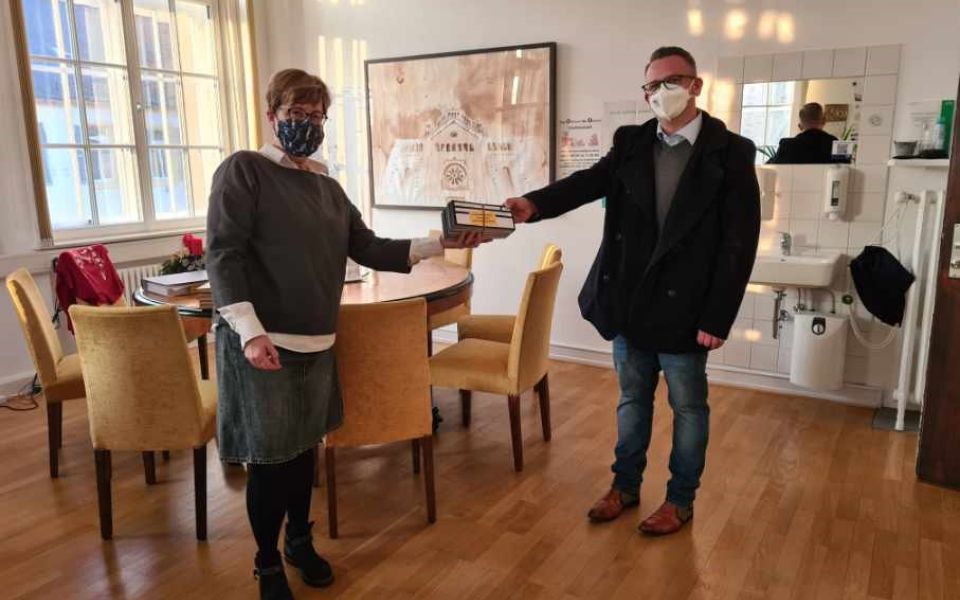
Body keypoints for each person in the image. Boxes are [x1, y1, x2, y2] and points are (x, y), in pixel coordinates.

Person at [206, 68, 484, 600]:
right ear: (272, 116)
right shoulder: (244, 170)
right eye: (296, 113)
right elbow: (224, 253)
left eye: (316, 115)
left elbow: (370, 247)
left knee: (303, 451)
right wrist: (249, 331)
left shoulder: (328, 188)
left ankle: (298, 540)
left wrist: (442, 243)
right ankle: (266, 561)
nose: (307, 124)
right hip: (264, 343)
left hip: (317, 341)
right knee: (270, 461)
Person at [505, 47, 760, 536]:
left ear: (695, 86)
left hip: (687, 308)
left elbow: (739, 242)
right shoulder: (631, 141)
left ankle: (680, 499)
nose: (661, 93)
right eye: (652, 86)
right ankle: (624, 487)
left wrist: (717, 316)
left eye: (672, 81)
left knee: (688, 408)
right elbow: (587, 183)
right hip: (630, 302)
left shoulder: (730, 151)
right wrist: (533, 204)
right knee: (631, 401)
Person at [767, 102, 839, 164]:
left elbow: (770, 167)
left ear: (800, 126)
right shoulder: (835, 144)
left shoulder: (787, 145)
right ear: (824, 121)